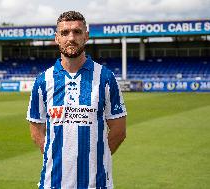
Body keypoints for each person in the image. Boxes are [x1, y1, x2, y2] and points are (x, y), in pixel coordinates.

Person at [27, 11, 127, 189]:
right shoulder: (43, 80)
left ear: (86, 36)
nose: (71, 38)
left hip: (96, 183)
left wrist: (95, 159)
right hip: (53, 183)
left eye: (77, 32)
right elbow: (36, 131)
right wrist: (59, 157)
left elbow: (119, 131)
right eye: (65, 33)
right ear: (57, 38)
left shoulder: (105, 77)